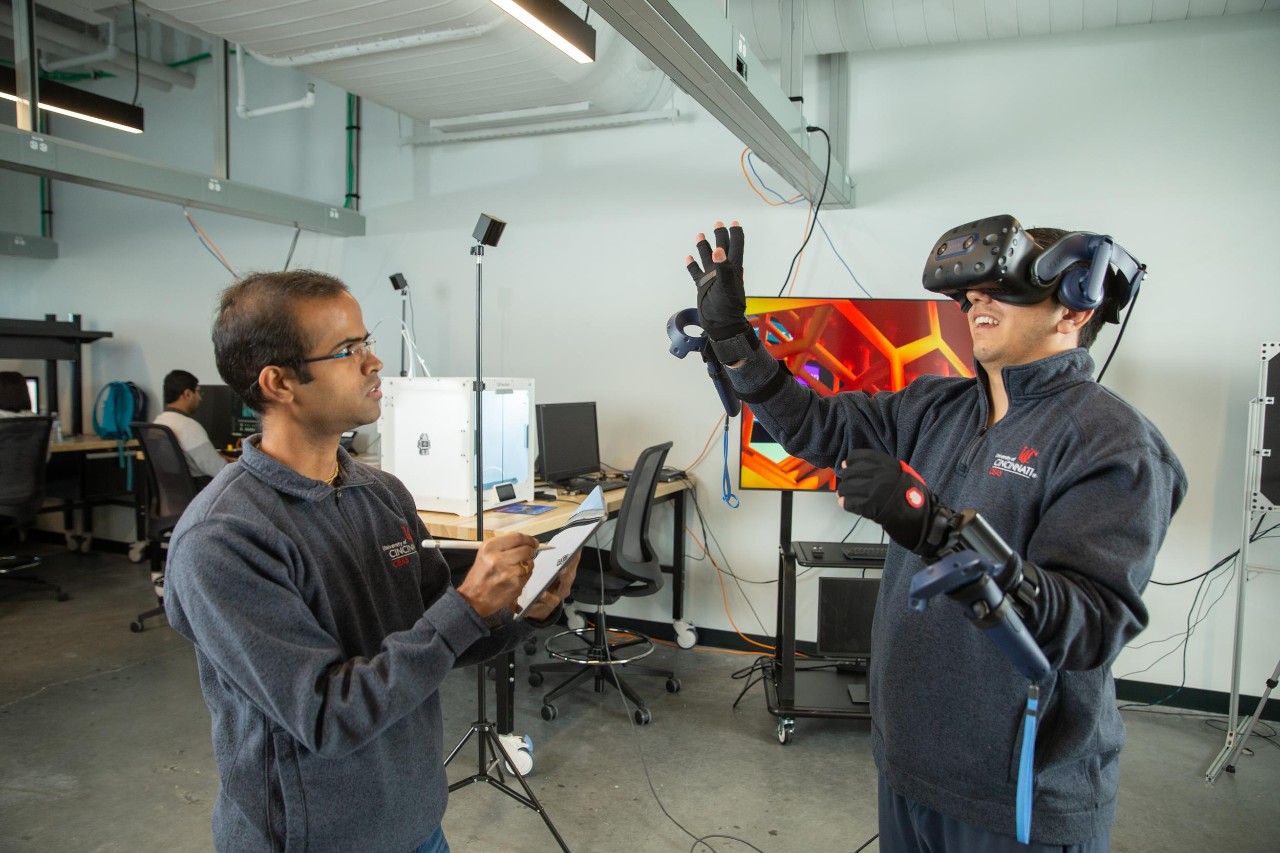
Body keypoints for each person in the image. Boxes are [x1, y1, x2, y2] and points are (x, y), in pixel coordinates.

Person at [684, 218, 1186, 851]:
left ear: (1072, 311)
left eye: (1002, 289)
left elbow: (1088, 626)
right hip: (906, 769)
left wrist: (939, 530)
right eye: (973, 293)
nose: (977, 301)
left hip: (1015, 803)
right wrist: (734, 338)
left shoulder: (1114, 443)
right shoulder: (933, 407)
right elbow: (811, 426)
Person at [163, 270, 578, 853]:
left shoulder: (381, 494)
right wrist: (465, 607)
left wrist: (523, 612)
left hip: (416, 822)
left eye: (368, 341)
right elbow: (329, 716)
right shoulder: (224, 539)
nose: (374, 362)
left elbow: (437, 637)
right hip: (317, 841)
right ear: (279, 382)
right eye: (347, 350)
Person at [153, 370, 228, 486]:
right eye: (198, 392)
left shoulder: (158, 422)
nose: (200, 398)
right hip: (200, 493)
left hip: (172, 494)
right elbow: (218, 469)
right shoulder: (188, 426)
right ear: (187, 394)